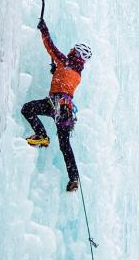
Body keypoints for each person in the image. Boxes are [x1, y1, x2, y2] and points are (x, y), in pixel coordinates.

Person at [21, 15, 92, 193]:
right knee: (64, 145)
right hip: (66, 110)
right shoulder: (77, 71)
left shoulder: (66, 62)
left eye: (73, 49)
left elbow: (51, 48)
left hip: (55, 104)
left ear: (76, 53)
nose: (70, 50)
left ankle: (42, 135)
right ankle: (73, 178)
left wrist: (43, 29)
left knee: (28, 109)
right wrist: (57, 72)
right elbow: (65, 81)